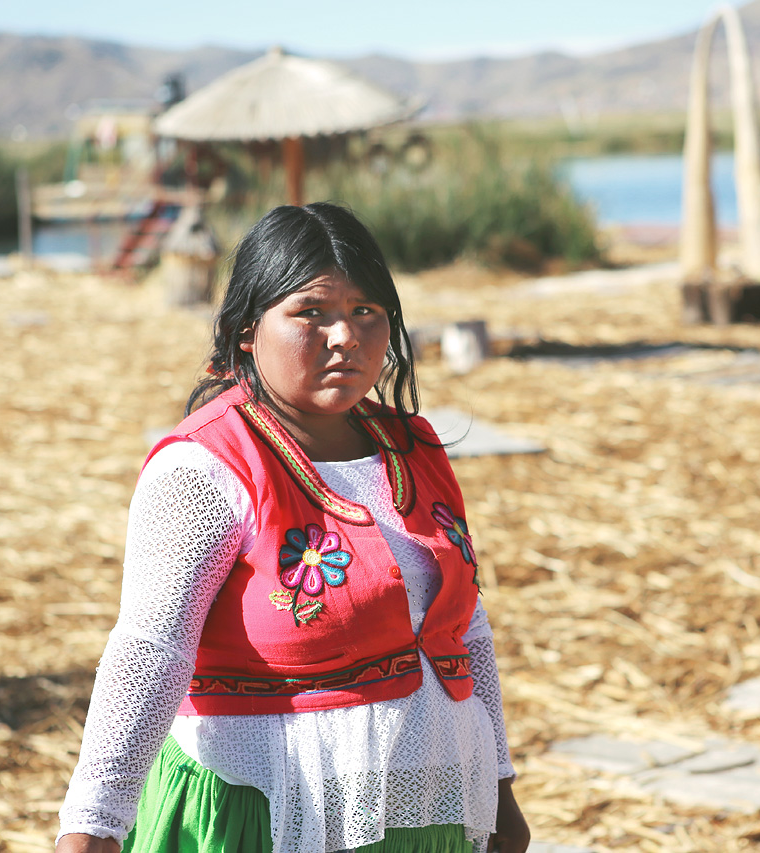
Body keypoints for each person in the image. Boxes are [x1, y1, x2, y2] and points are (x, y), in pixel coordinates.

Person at [56, 202, 529, 853]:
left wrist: (501, 786)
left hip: (427, 814)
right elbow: (151, 648)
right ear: (247, 329)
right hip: (257, 813)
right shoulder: (206, 466)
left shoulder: (414, 448)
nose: (346, 336)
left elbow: (466, 628)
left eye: (366, 311)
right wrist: (92, 825)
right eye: (312, 312)